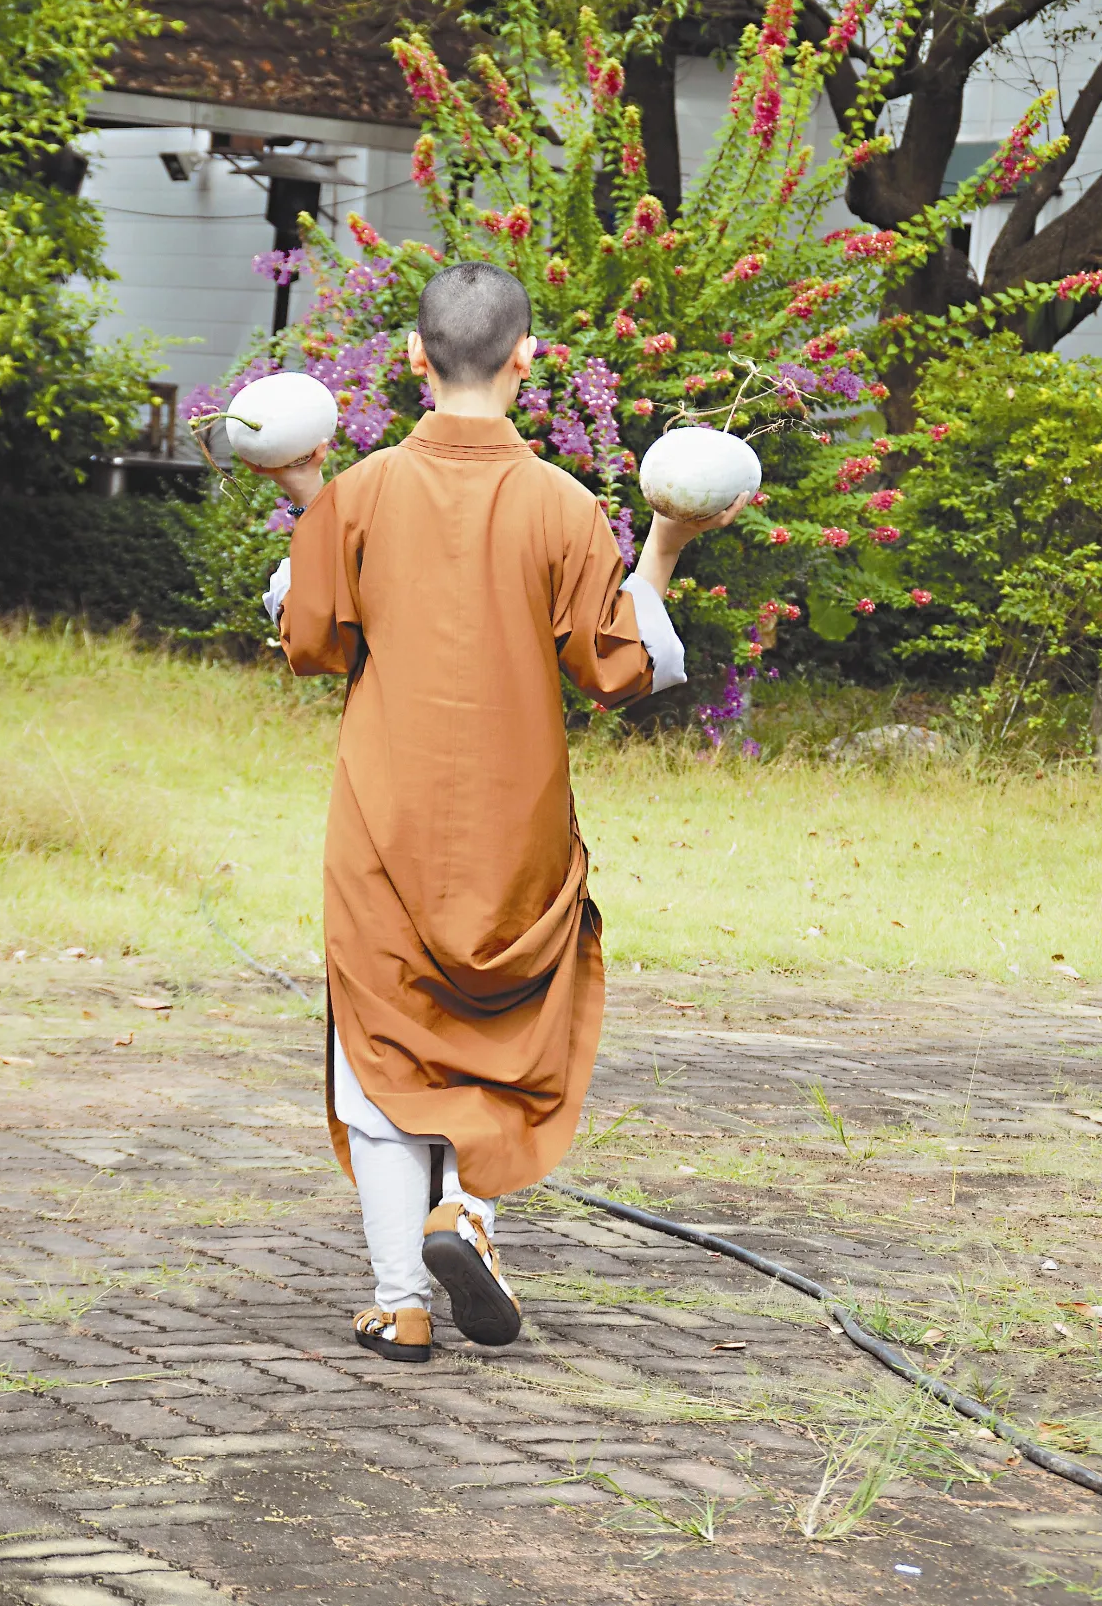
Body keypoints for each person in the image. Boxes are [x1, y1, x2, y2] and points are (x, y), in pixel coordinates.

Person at [258, 261, 747, 1363]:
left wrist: (307, 494)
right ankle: (468, 1211)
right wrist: (667, 540)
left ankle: (401, 1299)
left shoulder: (363, 492)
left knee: (382, 1049)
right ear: (527, 360)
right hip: (516, 828)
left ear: (416, 361)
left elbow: (313, 636)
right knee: (502, 1035)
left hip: (384, 823)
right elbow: (618, 666)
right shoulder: (565, 506)